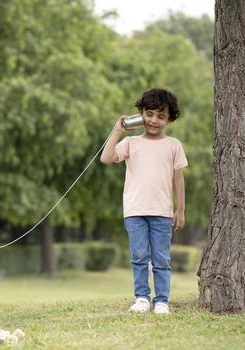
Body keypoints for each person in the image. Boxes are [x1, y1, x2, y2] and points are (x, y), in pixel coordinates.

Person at [100, 88, 188, 315]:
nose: (154, 121)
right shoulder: (131, 142)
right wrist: (118, 130)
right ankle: (142, 298)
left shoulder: (173, 145)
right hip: (135, 210)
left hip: (162, 211)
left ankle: (161, 301)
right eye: (149, 114)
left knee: (161, 258)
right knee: (139, 256)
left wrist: (181, 209)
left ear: (169, 119)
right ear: (140, 114)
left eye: (161, 116)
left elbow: (178, 179)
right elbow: (106, 157)